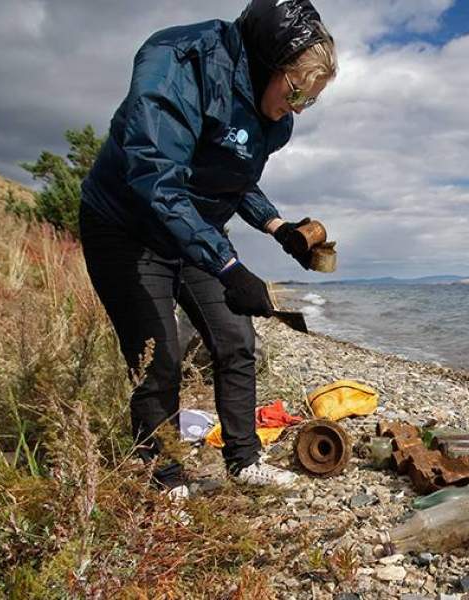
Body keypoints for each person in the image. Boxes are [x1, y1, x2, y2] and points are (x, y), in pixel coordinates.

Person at [78, 0, 336, 493]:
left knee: (236, 340)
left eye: (311, 102)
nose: (298, 110)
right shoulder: (179, 59)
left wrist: (278, 227)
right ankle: (164, 477)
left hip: (192, 230)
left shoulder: (273, 120)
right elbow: (155, 176)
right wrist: (229, 265)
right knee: (161, 356)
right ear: (269, 63)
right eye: (297, 92)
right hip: (126, 225)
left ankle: (244, 461)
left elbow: (231, 180)